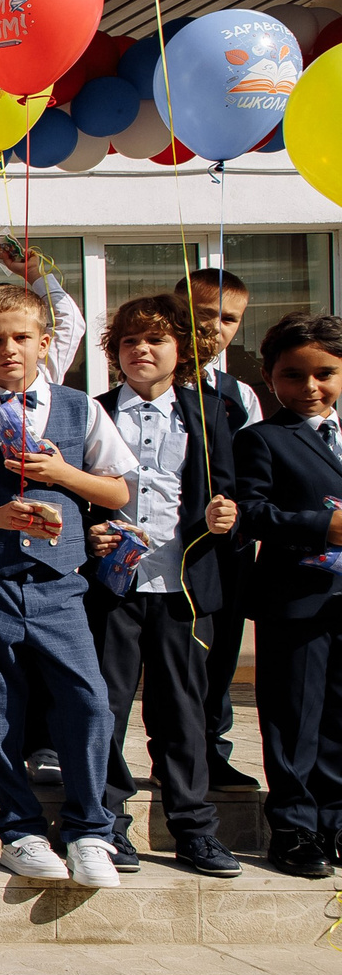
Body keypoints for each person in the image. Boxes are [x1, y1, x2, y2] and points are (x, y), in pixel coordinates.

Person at [0, 282, 136, 888]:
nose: (10, 350)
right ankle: (18, 827)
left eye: (22, 338)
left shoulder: (82, 410)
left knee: (87, 698)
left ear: (46, 342)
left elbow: (119, 490)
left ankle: (90, 829)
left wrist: (62, 474)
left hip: (59, 583)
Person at [89, 295, 242, 878]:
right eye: (129, 341)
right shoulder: (94, 410)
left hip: (181, 585)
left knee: (181, 710)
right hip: (114, 587)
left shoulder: (209, 412)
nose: (141, 350)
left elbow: (227, 492)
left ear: (183, 350)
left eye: (155, 340)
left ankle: (194, 829)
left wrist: (226, 516)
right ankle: (107, 823)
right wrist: (91, 532)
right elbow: (78, 492)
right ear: (115, 352)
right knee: (105, 706)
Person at [234, 313, 342, 878]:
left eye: (323, 373)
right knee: (295, 717)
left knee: (340, 719)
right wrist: (320, 527)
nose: (309, 388)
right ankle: (295, 828)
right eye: (293, 375)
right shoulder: (263, 439)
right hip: (296, 600)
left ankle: (336, 821)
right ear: (271, 376)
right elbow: (250, 512)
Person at [177, 267, 266, 793]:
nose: (217, 328)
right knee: (173, 654)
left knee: (221, 649)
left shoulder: (239, 396)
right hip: (169, 543)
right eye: (205, 315)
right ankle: (172, 751)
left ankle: (212, 748)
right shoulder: (148, 382)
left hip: (226, 545)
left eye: (230, 319)